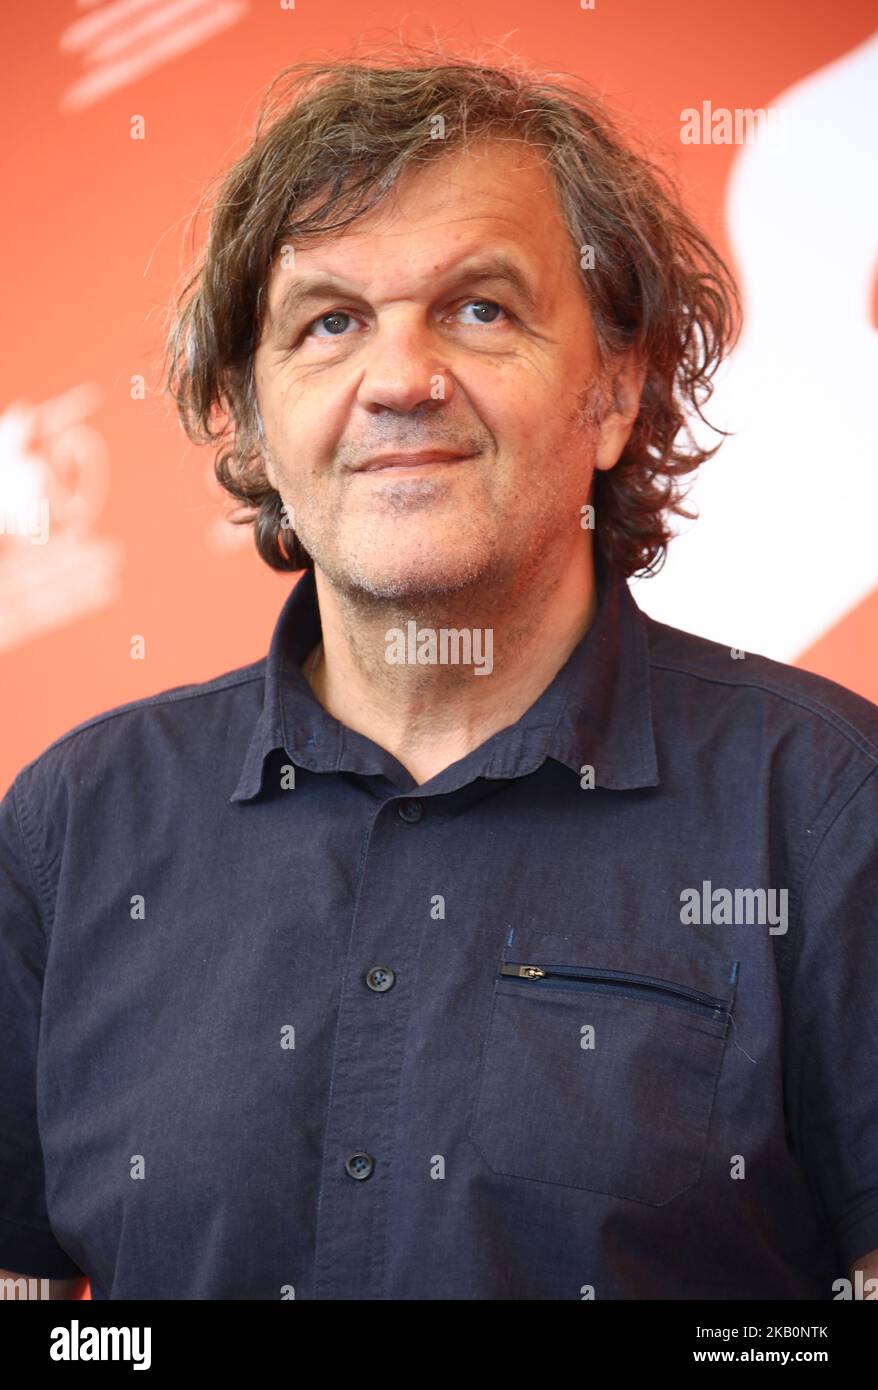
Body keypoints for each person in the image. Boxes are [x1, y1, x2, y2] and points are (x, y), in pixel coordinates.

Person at [1, 48, 876, 1301]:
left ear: (616, 389)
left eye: (480, 308)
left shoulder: (831, 811)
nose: (401, 380)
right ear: (249, 417)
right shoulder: (69, 830)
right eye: (328, 322)